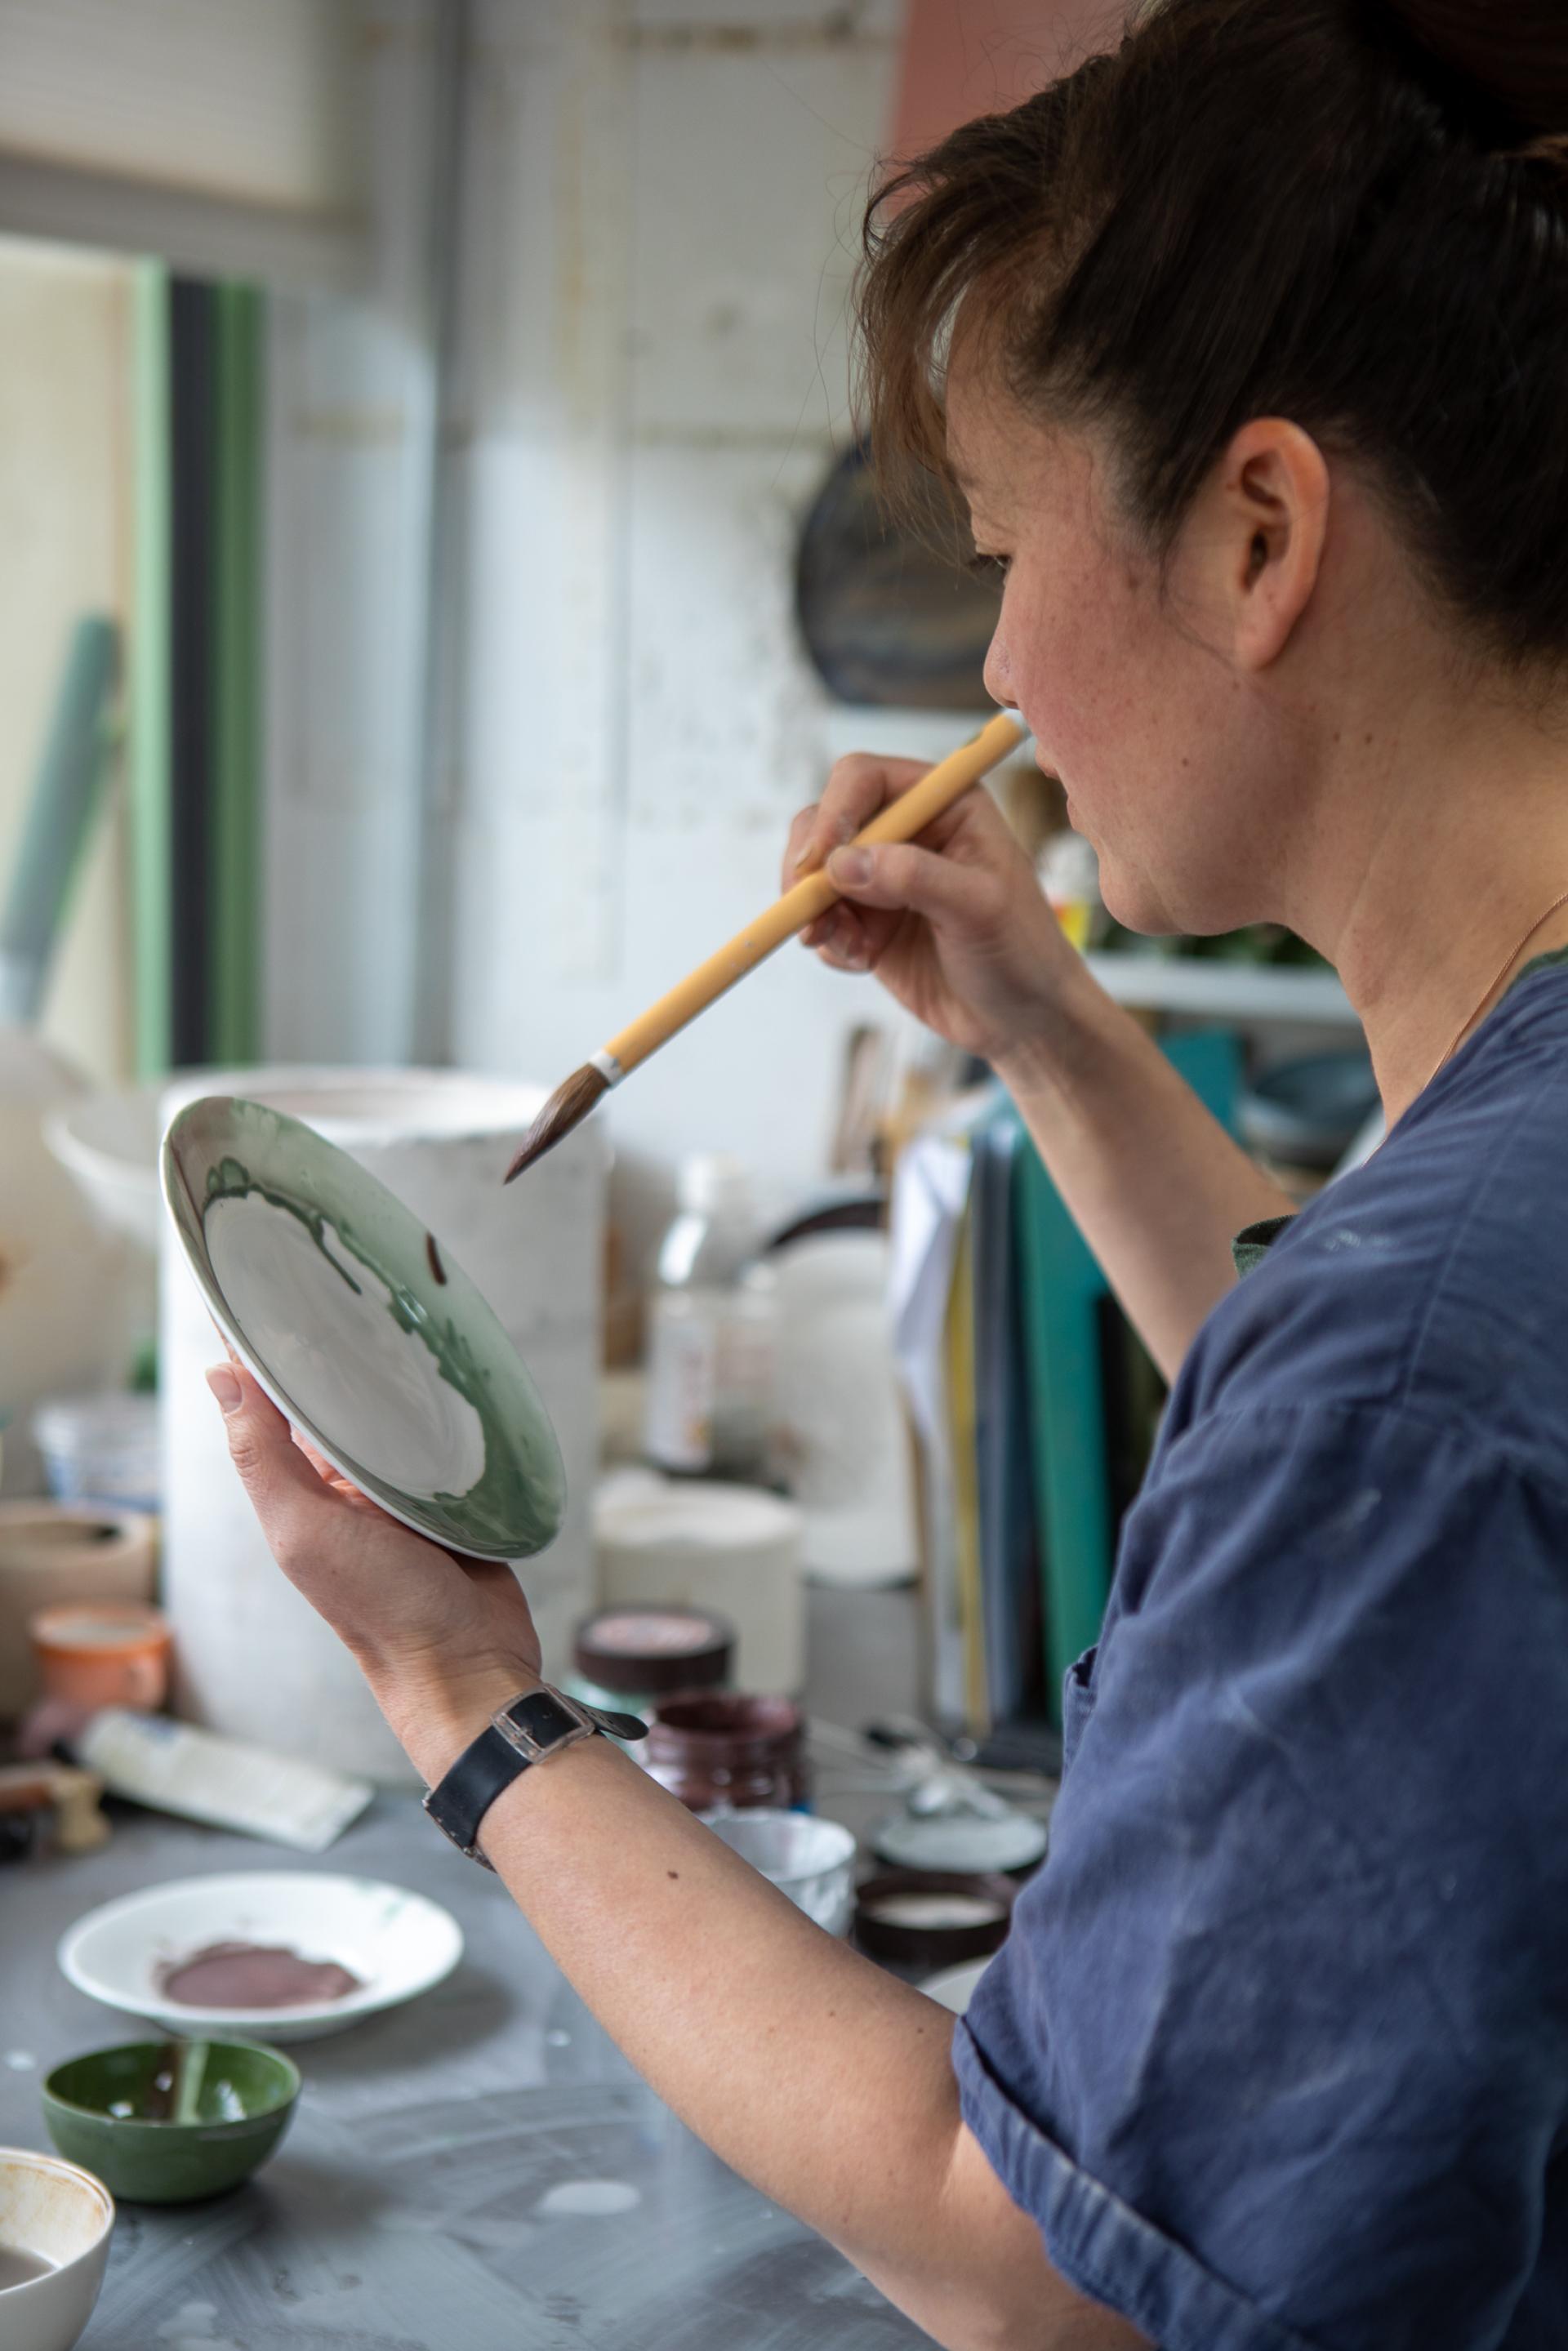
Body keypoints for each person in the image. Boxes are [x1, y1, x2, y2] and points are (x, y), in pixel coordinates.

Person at [207, 2, 1568, 2342]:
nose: (1002, 669)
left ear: (1259, 533)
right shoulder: (1476, 1235)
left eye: (1006, 544)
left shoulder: (1413, 1372)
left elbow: (1027, 2256)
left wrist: (464, 1699)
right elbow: (1385, 1439)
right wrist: (1037, 1020)